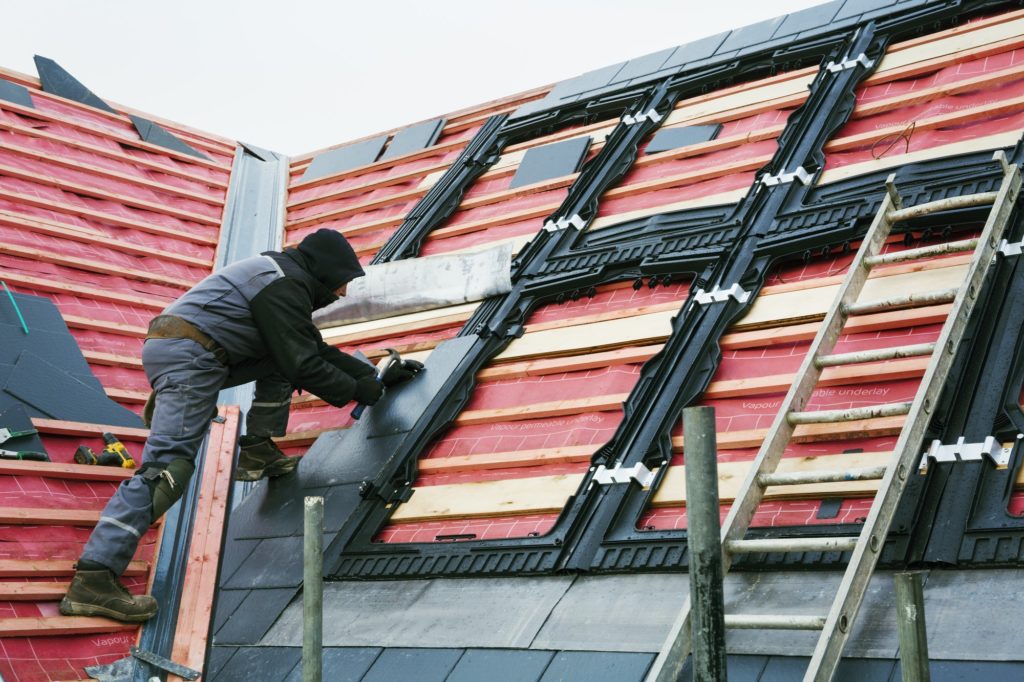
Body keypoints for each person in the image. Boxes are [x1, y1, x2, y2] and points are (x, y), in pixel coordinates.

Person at [60, 229, 419, 622]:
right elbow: (304, 363)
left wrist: (377, 376)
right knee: (168, 469)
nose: (343, 293)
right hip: (192, 358)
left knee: (281, 355)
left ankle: (256, 448)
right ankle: (94, 578)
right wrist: (359, 391)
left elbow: (307, 348)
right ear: (324, 272)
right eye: (342, 282)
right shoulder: (284, 286)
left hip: (197, 350)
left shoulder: (281, 276)